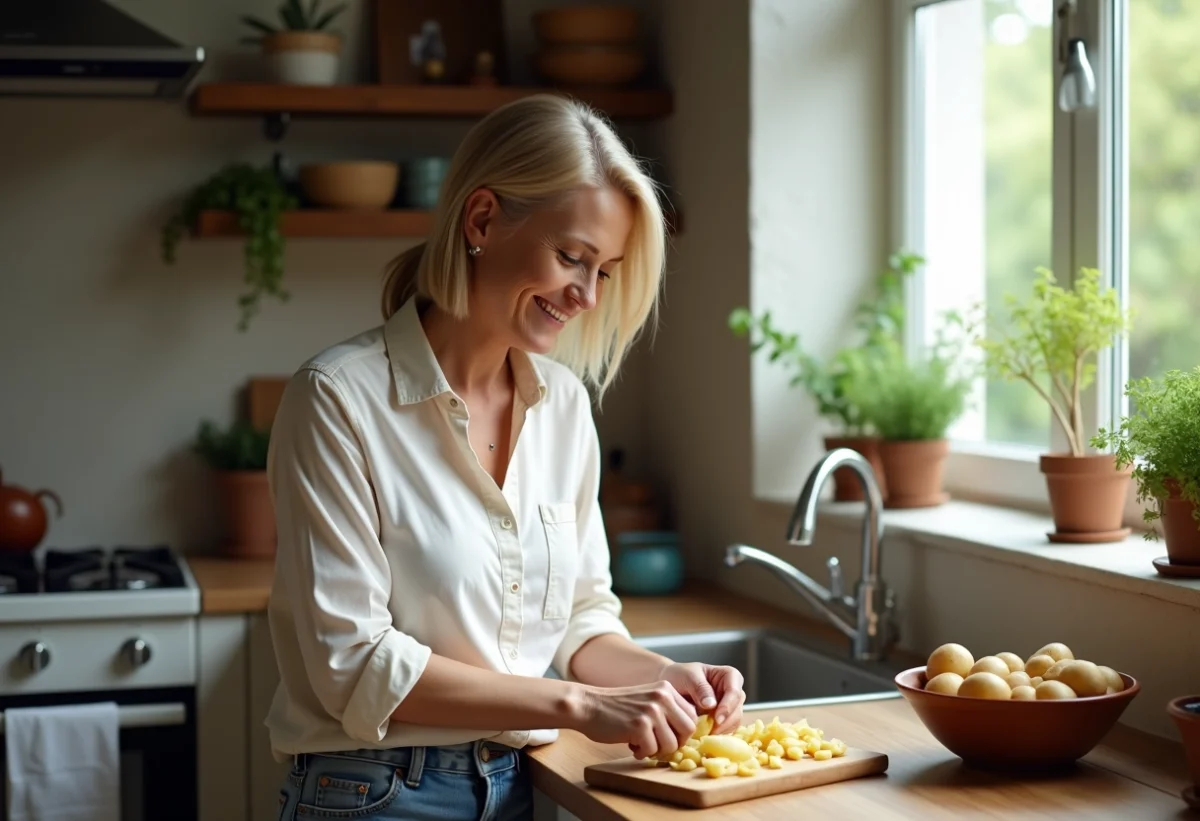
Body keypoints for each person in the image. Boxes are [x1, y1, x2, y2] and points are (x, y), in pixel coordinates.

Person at [265, 94, 747, 821]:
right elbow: (354, 661)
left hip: (516, 784)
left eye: (605, 271)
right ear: (482, 219)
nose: (586, 295)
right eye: (571, 257)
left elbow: (584, 619)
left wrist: (667, 677)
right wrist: (580, 703)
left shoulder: (564, 405)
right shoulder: (336, 398)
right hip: (371, 790)